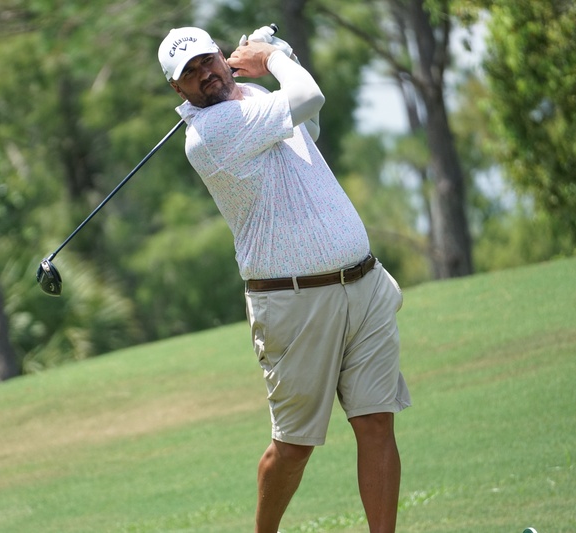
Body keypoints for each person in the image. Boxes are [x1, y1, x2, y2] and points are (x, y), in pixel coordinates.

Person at [158, 26, 412, 533]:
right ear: (177, 89)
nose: (205, 74)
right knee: (294, 446)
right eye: (189, 72)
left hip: (362, 284)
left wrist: (282, 56)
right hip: (295, 304)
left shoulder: (255, 98)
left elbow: (307, 126)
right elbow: (309, 95)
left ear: (222, 56)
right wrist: (273, 55)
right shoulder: (211, 133)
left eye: (207, 60)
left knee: (376, 422)